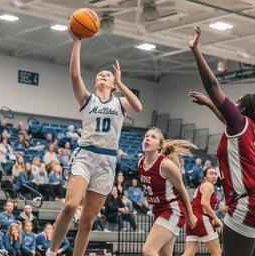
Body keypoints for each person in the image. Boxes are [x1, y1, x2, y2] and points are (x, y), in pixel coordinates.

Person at [47, 26, 143, 256]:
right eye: (100, 74)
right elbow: (74, 75)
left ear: (112, 84)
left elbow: (138, 107)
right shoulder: (87, 99)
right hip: (85, 155)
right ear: (95, 82)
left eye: (107, 75)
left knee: (88, 222)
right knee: (70, 206)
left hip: (107, 162)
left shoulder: (119, 103)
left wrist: (120, 82)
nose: (103, 75)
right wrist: (77, 44)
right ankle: (51, 252)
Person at [188, 25, 255, 256]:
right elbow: (226, 119)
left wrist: (195, 50)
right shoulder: (252, 130)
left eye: (238, 102)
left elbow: (212, 86)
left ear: (244, 109)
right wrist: (209, 105)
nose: (233, 104)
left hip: (252, 201)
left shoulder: (240, 123)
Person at [138, 128, 197, 256]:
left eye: (153, 137)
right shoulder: (141, 163)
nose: (147, 138)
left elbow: (183, 191)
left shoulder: (166, 165)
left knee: (148, 250)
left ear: (159, 146)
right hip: (159, 210)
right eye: (146, 136)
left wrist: (190, 215)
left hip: (173, 211)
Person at [183, 168, 222, 256]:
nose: (214, 176)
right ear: (204, 177)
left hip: (192, 220)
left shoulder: (202, 185)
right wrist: (216, 218)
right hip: (201, 219)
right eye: (211, 174)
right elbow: (204, 203)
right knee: (217, 252)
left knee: (189, 253)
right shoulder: (208, 185)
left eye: (215, 174)